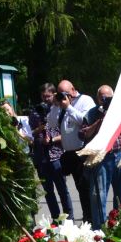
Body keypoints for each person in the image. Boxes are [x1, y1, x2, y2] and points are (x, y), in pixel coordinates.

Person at [80, 85, 121, 228]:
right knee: (99, 195)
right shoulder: (92, 113)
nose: (105, 100)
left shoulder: (120, 112)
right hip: (101, 158)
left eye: (109, 98)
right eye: (102, 98)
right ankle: (100, 229)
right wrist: (100, 121)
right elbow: (83, 134)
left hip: (119, 155)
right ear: (98, 98)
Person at [48, 80, 95, 222]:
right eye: (60, 93)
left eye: (65, 93)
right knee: (80, 188)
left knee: (87, 188)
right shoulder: (60, 105)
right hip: (69, 154)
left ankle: (92, 219)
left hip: (83, 152)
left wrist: (68, 107)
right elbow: (51, 123)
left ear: (73, 90)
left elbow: (85, 121)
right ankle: (87, 217)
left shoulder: (85, 100)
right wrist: (55, 105)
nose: (63, 96)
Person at [30, 92, 74, 220]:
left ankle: (69, 219)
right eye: (43, 96)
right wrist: (40, 129)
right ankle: (56, 220)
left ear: (54, 96)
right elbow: (30, 133)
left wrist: (52, 140)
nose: (46, 99)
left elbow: (66, 132)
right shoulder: (35, 113)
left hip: (56, 157)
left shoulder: (59, 111)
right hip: (42, 159)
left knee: (62, 190)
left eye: (48, 96)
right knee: (48, 192)